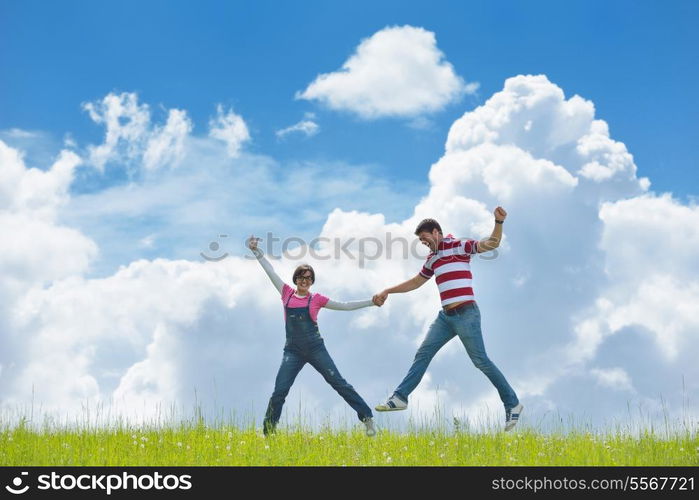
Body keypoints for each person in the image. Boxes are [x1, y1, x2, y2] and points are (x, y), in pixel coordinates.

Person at [373, 207, 523, 431]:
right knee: (423, 353)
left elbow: (491, 244)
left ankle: (513, 404)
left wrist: (498, 222)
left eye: (425, 239)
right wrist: (388, 290)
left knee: (480, 361)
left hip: (467, 313)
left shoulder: (459, 245)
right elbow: (415, 282)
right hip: (446, 318)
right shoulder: (432, 258)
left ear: (436, 232)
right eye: (421, 242)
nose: (424, 244)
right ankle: (400, 397)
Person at [247, 235, 378, 437]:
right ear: (296, 279)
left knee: (339, 383)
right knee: (280, 390)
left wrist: (371, 302)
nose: (304, 281)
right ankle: (268, 432)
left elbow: (345, 306)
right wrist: (256, 251)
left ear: (312, 281)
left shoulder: (317, 299)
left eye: (308, 278)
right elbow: (269, 270)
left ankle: (367, 418)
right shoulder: (286, 293)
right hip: (292, 351)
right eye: (301, 277)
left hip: (316, 349)